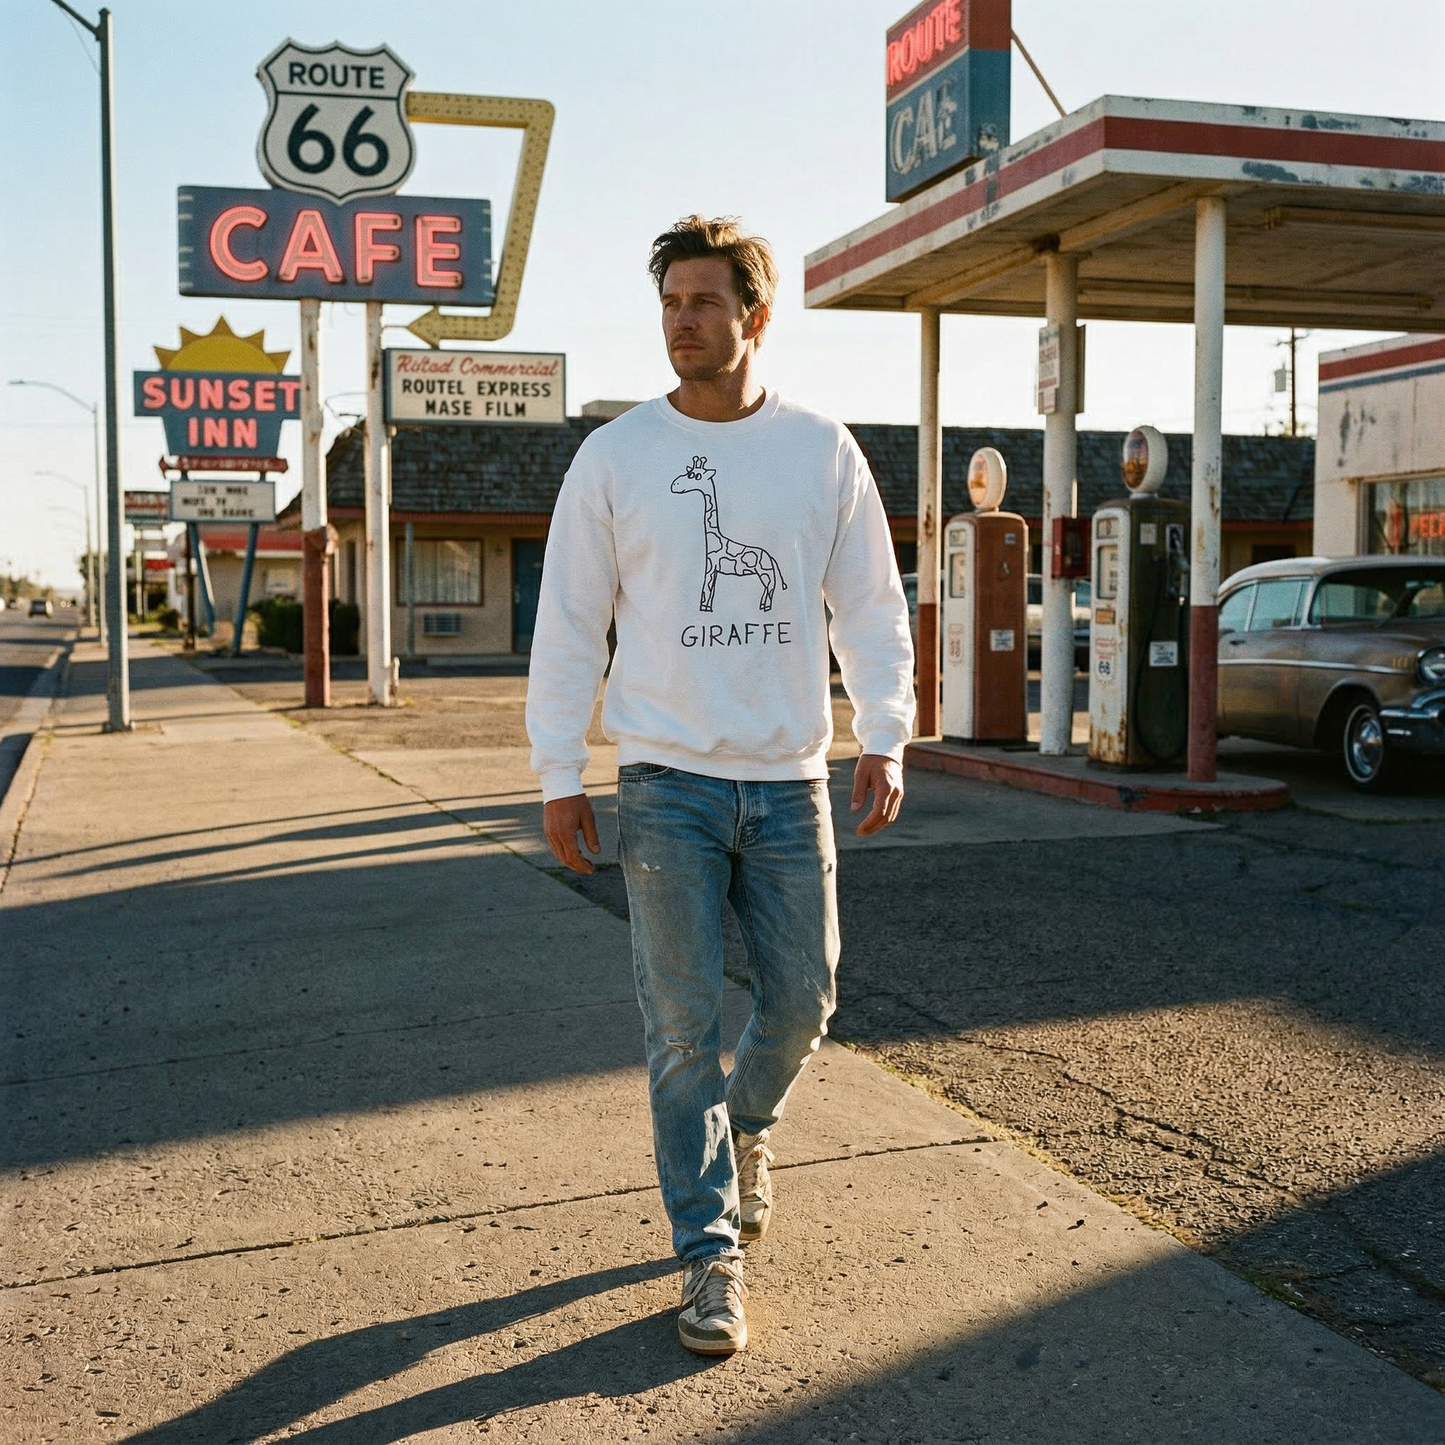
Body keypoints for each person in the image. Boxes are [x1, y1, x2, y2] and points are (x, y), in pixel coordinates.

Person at [526, 215, 915, 1355]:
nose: (681, 321)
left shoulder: (820, 450)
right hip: (664, 784)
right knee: (680, 1030)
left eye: (703, 301)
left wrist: (885, 733)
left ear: (755, 315)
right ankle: (708, 1256)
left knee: (804, 1000)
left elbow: (870, 604)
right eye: (669, 303)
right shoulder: (615, 457)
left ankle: (744, 1130)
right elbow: (569, 622)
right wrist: (560, 770)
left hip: (788, 779)